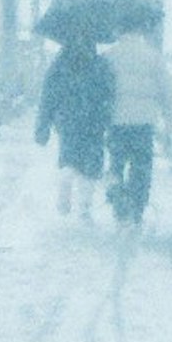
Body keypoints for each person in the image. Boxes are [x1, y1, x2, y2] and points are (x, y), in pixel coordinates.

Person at [99, 23, 170, 227]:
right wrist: (170, 116)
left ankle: (118, 198)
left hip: (116, 122)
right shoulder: (152, 56)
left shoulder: (108, 57)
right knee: (142, 166)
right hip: (143, 122)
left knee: (116, 162)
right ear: (139, 31)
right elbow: (165, 88)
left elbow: (101, 90)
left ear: (118, 31)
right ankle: (137, 208)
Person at [36, 34, 111, 217]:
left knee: (69, 156)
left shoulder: (59, 64)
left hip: (67, 120)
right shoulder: (99, 64)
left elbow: (47, 96)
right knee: (92, 163)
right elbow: (109, 93)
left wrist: (43, 125)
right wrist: (107, 118)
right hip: (94, 120)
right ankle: (84, 207)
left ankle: (65, 180)